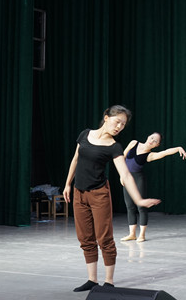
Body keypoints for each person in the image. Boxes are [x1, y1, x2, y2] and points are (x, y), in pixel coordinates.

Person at [63, 106, 161, 292]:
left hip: (99, 194)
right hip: (78, 193)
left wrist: (139, 200)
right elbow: (75, 160)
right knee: (85, 238)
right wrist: (67, 184)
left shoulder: (114, 146)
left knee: (104, 238)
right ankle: (92, 280)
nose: (119, 127)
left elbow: (126, 174)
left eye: (123, 125)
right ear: (106, 118)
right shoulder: (85, 134)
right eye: (117, 122)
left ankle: (109, 282)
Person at [120, 132, 186, 243]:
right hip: (127, 178)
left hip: (138, 180)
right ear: (148, 137)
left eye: (155, 141)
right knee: (130, 206)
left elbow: (165, 152)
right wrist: (122, 175)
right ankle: (132, 234)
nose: (152, 141)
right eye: (152, 138)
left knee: (141, 207)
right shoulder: (133, 143)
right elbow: (122, 157)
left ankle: (142, 235)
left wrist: (178, 148)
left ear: (157, 145)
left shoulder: (150, 155)